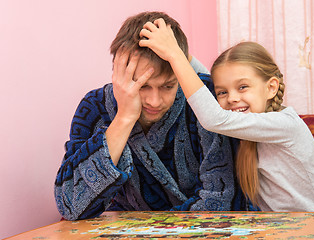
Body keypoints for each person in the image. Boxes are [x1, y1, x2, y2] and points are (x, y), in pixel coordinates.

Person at [54, 11, 247, 221]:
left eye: (168, 86)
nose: (155, 101)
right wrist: (124, 117)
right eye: (142, 86)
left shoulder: (205, 97)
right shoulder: (95, 107)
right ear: (118, 72)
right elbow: (71, 205)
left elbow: (223, 200)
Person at [139, 18, 314, 212]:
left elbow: (213, 118)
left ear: (271, 88)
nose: (232, 98)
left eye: (243, 87)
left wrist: (175, 55)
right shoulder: (246, 123)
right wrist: (180, 51)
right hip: (279, 230)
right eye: (222, 92)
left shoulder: (285, 125)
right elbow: (205, 86)